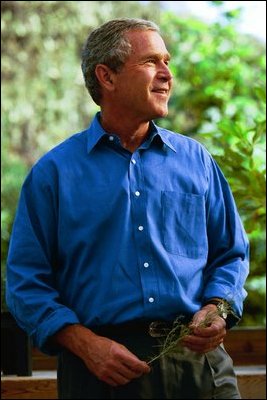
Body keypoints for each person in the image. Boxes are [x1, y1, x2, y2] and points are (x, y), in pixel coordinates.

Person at [6, 18, 249, 399]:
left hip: (201, 368)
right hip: (102, 373)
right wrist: (86, 345)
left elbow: (231, 253)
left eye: (167, 61)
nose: (167, 74)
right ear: (107, 76)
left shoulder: (196, 161)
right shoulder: (53, 174)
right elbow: (25, 282)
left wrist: (219, 307)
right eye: (151, 62)